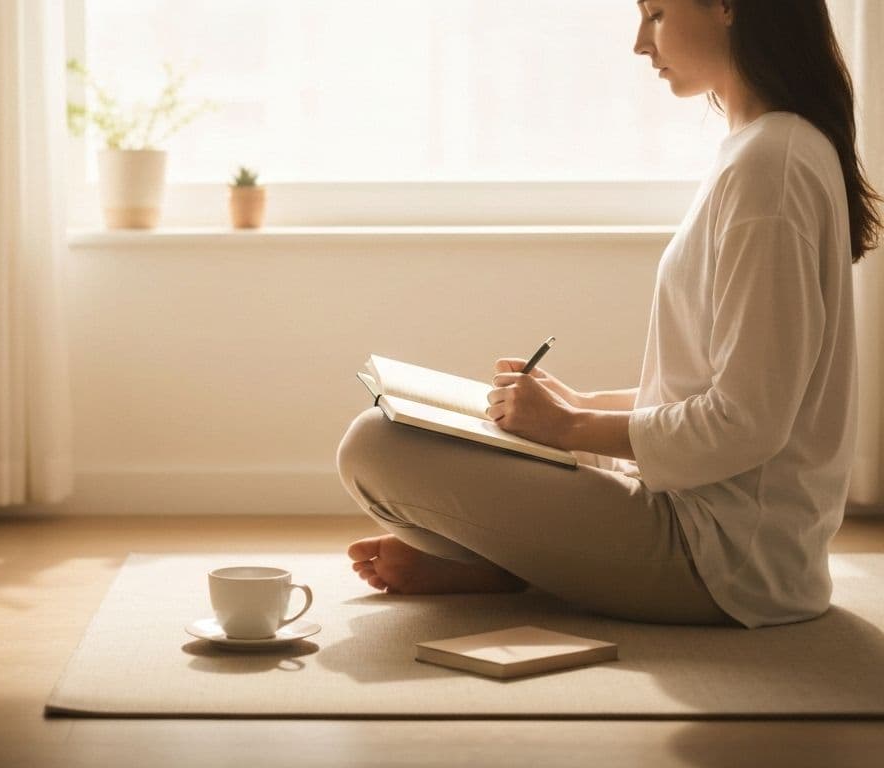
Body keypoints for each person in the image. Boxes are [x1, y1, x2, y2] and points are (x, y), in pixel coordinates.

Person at [336, 0, 881, 629]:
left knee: (374, 447)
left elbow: (747, 424)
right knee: (421, 422)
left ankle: (502, 566)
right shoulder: (764, 149)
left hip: (722, 557)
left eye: (655, 13)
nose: (640, 43)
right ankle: (506, 565)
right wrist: (582, 405)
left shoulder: (771, 164)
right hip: (697, 510)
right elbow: (718, 387)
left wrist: (571, 428)